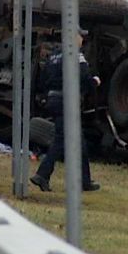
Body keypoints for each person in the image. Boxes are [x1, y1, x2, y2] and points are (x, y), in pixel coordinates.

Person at [30, 30, 101, 193]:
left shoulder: (53, 56)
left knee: (79, 141)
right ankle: (42, 175)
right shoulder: (76, 55)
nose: (82, 40)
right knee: (60, 140)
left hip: (53, 100)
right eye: (81, 36)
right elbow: (84, 77)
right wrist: (94, 82)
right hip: (67, 102)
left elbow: (43, 80)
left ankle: (85, 181)